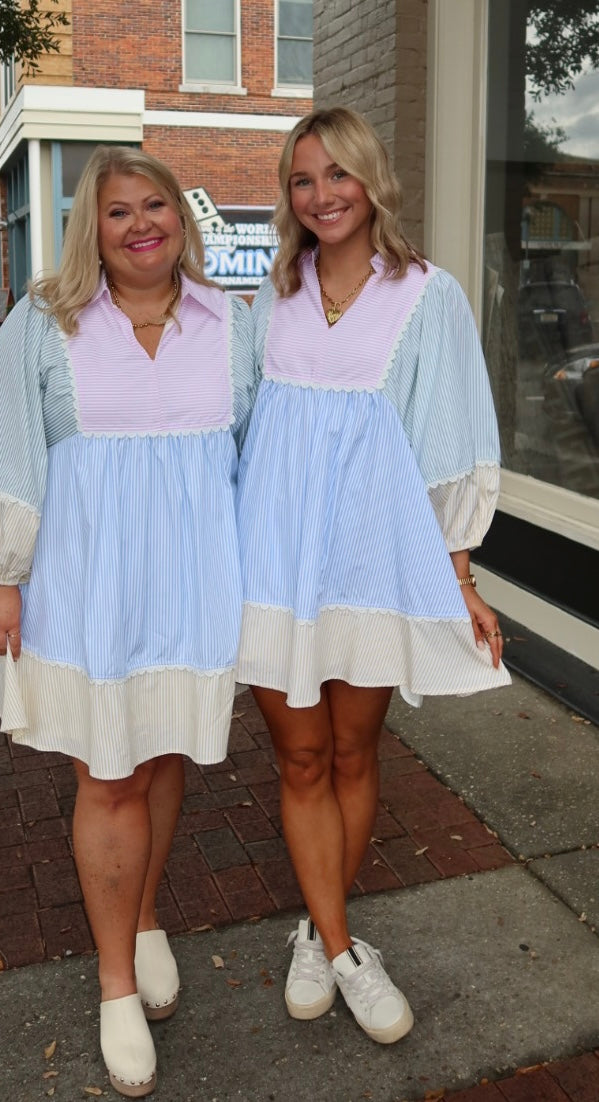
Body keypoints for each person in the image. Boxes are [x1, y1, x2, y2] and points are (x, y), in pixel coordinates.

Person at [0, 146, 255, 1098]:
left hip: (194, 584)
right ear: (93, 227)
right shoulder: (43, 322)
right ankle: (116, 983)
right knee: (108, 772)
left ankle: (145, 913)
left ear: (180, 217)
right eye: (116, 211)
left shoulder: (230, 324)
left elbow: (252, 461)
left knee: (159, 756)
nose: (139, 225)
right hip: (88, 585)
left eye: (153, 205)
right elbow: (5, 446)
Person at [236, 107, 511, 1045]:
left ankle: (320, 932)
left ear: (371, 181)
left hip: (369, 560)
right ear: (289, 195)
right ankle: (348, 951)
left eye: (338, 175)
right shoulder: (268, 298)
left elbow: (448, 437)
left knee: (353, 754)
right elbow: (228, 434)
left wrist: (459, 575)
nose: (322, 195)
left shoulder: (426, 295)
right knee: (300, 757)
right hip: (271, 562)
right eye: (303, 180)